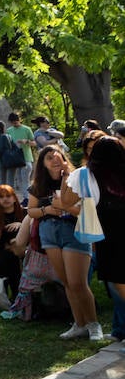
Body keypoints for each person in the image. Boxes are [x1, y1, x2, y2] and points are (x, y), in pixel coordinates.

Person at [26, 144, 101, 340]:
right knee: (67, 282)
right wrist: (48, 209)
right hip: (49, 232)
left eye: (57, 155)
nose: (54, 159)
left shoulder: (75, 178)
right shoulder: (38, 184)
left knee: (78, 282)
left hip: (73, 230)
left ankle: (94, 325)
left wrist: (66, 205)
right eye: (49, 157)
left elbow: (88, 209)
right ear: (43, 163)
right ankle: (79, 323)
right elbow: (30, 211)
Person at [62, 135, 124, 340]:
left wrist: (65, 176)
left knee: (119, 284)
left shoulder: (84, 175)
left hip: (110, 238)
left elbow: (66, 200)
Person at [0, 184, 26, 301]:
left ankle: (17, 293)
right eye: (1, 197)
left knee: (13, 258)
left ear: (14, 197)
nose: (5, 199)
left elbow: (34, 232)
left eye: (8, 196)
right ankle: (5, 294)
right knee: (5, 258)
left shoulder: (24, 213)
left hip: (21, 251)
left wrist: (21, 225)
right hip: (1, 252)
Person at [5, 113, 35, 193]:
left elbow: (34, 143)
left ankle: (28, 198)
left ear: (19, 120)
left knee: (25, 179)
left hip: (26, 158)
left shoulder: (27, 129)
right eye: (12, 122)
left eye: (16, 122)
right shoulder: (9, 131)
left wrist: (26, 141)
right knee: (20, 180)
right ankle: (26, 198)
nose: (15, 124)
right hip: (16, 159)